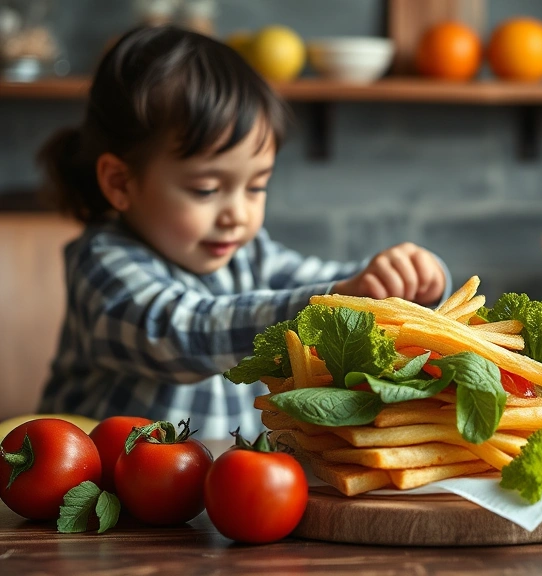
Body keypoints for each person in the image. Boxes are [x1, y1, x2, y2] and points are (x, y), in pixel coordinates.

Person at [37, 26, 451, 439]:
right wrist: (331, 306)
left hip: (224, 488)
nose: (237, 214)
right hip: (110, 487)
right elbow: (182, 334)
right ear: (121, 183)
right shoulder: (101, 261)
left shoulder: (248, 253)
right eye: (206, 190)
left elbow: (330, 281)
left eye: (256, 186)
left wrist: (402, 282)